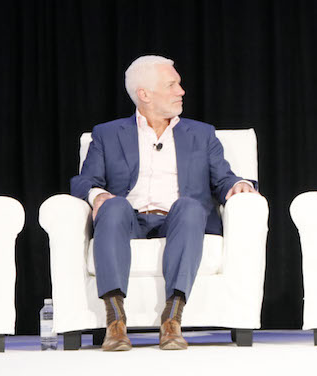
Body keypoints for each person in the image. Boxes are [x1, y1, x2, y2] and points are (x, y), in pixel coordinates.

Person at [70, 55, 256, 351]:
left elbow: (223, 178)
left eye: (179, 84)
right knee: (113, 205)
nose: (181, 91)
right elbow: (83, 181)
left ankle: (172, 319)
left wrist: (238, 185)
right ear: (144, 94)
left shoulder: (201, 134)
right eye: (172, 84)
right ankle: (115, 322)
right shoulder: (107, 133)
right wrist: (97, 195)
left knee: (191, 206)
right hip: (128, 219)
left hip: (178, 220)